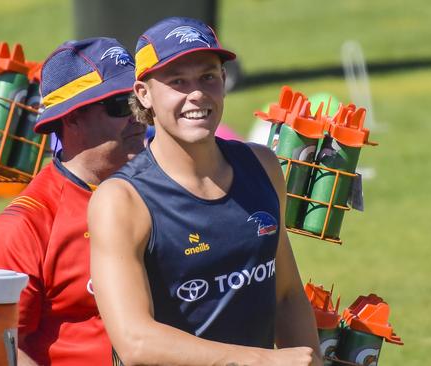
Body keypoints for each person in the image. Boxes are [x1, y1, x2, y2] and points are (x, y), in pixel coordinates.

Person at [88, 17, 322, 366]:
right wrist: (263, 361)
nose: (196, 93)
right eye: (177, 81)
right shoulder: (121, 200)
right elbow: (135, 342)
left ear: (224, 81)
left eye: (208, 77)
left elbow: (286, 295)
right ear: (144, 94)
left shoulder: (262, 166)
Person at [0, 37, 145, 366]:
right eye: (121, 105)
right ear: (72, 118)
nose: (138, 116)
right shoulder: (24, 228)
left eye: (141, 99)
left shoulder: (164, 189)